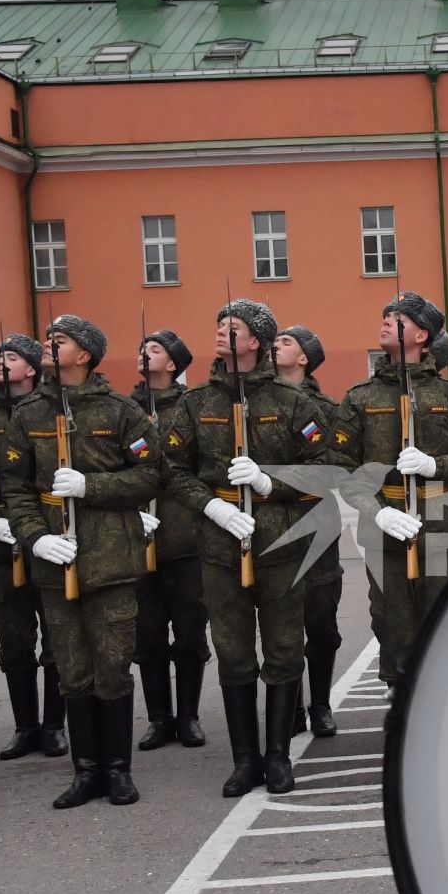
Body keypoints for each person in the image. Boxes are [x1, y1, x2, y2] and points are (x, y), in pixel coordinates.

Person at [161, 299, 338, 798]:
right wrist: (211, 507)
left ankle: (278, 755)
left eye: (231, 328)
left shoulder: (291, 402)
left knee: (283, 651)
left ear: (255, 341)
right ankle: (245, 759)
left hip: (280, 545)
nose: (220, 333)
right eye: (218, 325)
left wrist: (269, 483)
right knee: (234, 654)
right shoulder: (196, 403)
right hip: (219, 546)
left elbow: (323, 470)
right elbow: (172, 468)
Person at [4, 315, 160, 809]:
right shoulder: (28, 413)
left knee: (112, 665)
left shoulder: (120, 411)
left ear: (85, 354)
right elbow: (15, 487)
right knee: (71, 667)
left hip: (111, 555)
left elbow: (153, 475)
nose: (50, 345)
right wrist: (33, 539)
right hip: (55, 557)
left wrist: (93, 486)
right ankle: (85, 769)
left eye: (62, 340)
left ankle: (117, 769)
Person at [336, 292, 448, 697]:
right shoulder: (361, 397)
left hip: (446, 522)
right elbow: (342, 466)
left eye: (398, 318)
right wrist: (376, 512)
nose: (386, 321)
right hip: (385, 527)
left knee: (446, 622)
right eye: (385, 314)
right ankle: (402, 713)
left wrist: (436, 466)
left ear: (423, 335)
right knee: (393, 624)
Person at [0, 332, 67, 762]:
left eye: (10, 357)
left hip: (49, 540)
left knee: (56, 637)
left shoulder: (54, 412)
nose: (1, 363)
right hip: (3, 547)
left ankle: (53, 726)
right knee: (14, 641)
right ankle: (24, 726)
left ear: (32, 368)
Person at [132, 328, 210, 752]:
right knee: (147, 636)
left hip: (185, 539)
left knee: (190, 633)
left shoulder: (191, 405)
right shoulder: (124, 408)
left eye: (156, 350)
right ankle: (159, 717)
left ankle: (189, 715)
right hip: (136, 539)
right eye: (143, 349)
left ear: (174, 363)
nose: (145, 355)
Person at [272, 323, 345, 739]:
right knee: (282, 622)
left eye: (286, 342)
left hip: (316, 521)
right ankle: (292, 707)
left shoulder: (326, 407)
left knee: (319, 619)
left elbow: (335, 460)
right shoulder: (253, 400)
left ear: (304, 359)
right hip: (270, 521)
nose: (275, 347)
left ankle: (320, 705)